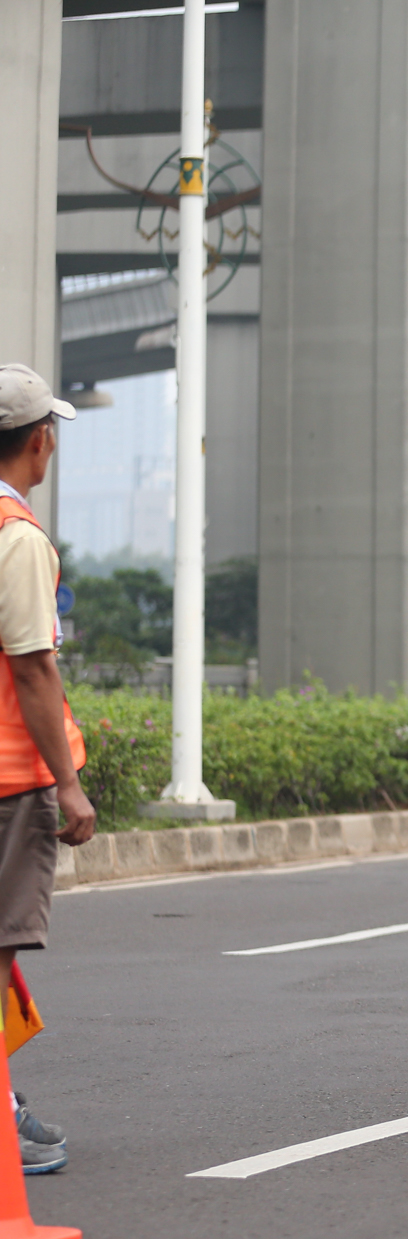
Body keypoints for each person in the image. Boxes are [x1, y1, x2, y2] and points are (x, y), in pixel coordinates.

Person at [0, 365, 96, 1174]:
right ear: (39, 441)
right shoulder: (19, 539)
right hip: (7, 778)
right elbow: (33, 668)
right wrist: (67, 782)